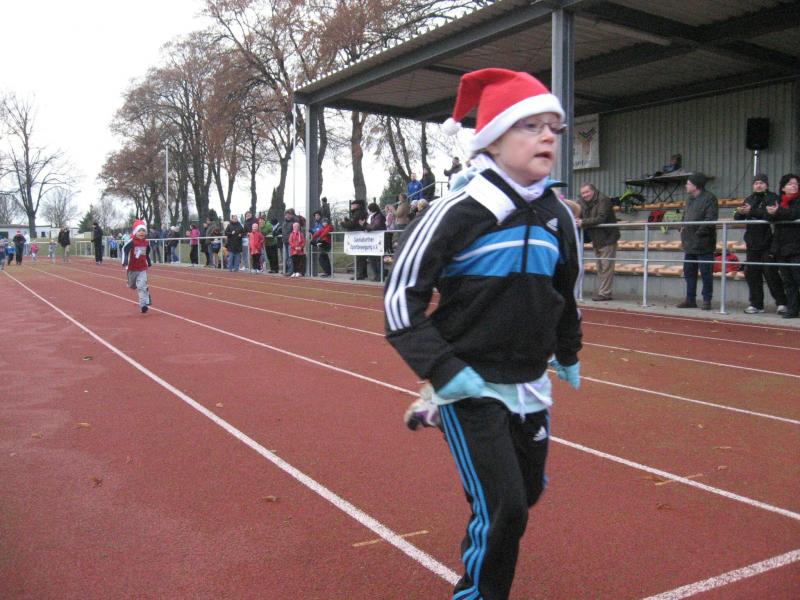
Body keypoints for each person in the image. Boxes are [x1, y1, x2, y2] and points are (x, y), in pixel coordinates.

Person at [386, 68, 582, 600]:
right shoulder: (458, 211)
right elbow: (399, 300)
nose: (547, 137)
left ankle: (433, 407)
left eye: (554, 128)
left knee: (528, 494)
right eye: (531, 126)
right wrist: (445, 371)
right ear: (493, 140)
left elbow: (565, 291)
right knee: (504, 510)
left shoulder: (558, 216)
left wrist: (568, 351)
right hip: (469, 382)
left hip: (530, 382)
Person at [734, 174, 788, 314]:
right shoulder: (749, 199)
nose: (758, 185)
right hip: (752, 243)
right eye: (756, 183)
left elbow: (769, 215)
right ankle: (756, 304)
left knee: (771, 274)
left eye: (761, 183)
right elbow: (737, 216)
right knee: (752, 274)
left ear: (766, 185)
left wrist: (751, 211)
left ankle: (782, 303)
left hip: (768, 243)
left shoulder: (773, 197)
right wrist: (740, 212)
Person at [678, 173, 718, 310]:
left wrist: (699, 233)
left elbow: (710, 219)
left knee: (706, 273)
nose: (686, 186)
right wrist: (681, 227)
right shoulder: (689, 199)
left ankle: (707, 299)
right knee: (689, 272)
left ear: (696, 185)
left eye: (688, 183)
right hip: (689, 243)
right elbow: (685, 216)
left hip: (704, 243)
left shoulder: (710, 198)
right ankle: (690, 299)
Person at [577, 183, 620, 301]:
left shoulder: (603, 200)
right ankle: (605, 292)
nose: (584, 195)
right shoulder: (582, 201)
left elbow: (601, 218)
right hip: (596, 239)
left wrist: (582, 222)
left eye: (587, 192)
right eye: (582, 193)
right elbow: (577, 210)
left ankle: (605, 293)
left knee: (606, 267)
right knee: (600, 267)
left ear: (593, 191)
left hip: (607, 238)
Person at [766, 173, 800, 319]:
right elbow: (767, 216)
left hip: (796, 246)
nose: (794, 186)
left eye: (796, 184)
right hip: (781, 246)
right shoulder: (778, 201)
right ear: (783, 187)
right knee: (788, 280)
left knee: (798, 277)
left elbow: (794, 214)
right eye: (790, 184)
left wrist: (778, 212)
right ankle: (793, 309)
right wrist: (772, 213)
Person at [122, 220, 153, 313]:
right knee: (132, 286)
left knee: (141, 286)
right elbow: (125, 250)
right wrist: (125, 261)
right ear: (135, 232)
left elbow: (147, 252)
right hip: (132, 268)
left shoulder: (146, 243)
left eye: (143, 231)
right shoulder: (132, 242)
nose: (142, 233)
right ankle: (143, 290)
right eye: (139, 231)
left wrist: (148, 261)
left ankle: (143, 305)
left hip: (142, 267)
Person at [341, 199, 368, 280]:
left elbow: (353, 224)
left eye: (353, 204)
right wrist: (347, 221)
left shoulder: (358, 213)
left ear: (358, 205)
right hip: (359, 236)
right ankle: (363, 273)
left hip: (358, 237)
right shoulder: (360, 212)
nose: (351, 206)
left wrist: (343, 223)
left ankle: (360, 274)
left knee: (359, 256)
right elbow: (354, 223)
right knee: (361, 256)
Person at [365, 202, 386, 281]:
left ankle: (380, 276)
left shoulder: (379, 216)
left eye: (369, 209)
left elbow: (375, 226)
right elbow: (371, 226)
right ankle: (376, 275)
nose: (368, 211)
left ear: (372, 209)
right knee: (372, 258)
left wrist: (367, 226)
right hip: (374, 240)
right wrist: (366, 225)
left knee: (378, 259)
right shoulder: (373, 216)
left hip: (379, 239)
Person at [281, 209, 299, 276]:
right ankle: (287, 270)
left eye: (289, 214)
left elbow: (295, 232)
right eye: (286, 215)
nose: (287, 216)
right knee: (286, 257)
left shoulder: (294, 223)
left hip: (291, 243)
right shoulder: (284, 223)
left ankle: (290, 271)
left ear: (291, 215)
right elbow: (283, 231)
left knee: (290, 256)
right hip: (285, 241)